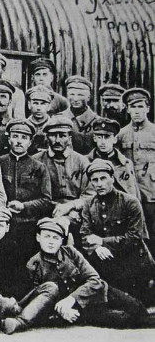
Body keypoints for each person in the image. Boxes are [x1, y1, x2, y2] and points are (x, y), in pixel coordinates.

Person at [1, 217, 149, 334]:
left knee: (139, 309)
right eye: (47, 236)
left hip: (100, 292)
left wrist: (71, 299)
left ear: (61, 241)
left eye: (55, 238)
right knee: (125, 320)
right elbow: (41, 300)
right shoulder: (33, 265)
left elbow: (94, 279)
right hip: (82, 310)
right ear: (38, 238)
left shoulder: (71, 253)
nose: (51, 242)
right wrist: (61, 312)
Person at [80, 159, 155, 303]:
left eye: (103, 178)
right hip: (107, 264)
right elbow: (85, 235)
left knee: (139, 304)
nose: (99, 183)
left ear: (112, 179)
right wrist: (97, 247)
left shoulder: (130, 202)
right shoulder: (89, 204)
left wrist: (102, 241)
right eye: (94, 180)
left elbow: (135, 237)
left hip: (134, 264)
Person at [32, 116, 94, 246]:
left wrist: (70, 206)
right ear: (47, 137)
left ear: (69, 138)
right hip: (45, 211)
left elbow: (90, 195)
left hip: (76, 214)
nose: (58, 140)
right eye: (53, 135)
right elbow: (32, 193)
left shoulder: (81, 161)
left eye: (62, 135)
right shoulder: (36, 161)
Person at [0, 118, 53, 257]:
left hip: (29, 224)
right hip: (2, 221)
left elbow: (46, 200)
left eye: (24, 137)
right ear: (9, 139)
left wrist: (24, 206)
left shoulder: (39, 167)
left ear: (30, 142)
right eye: (15, 136)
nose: (19, 141)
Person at [117, 88, 155, 249]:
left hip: (151, 191)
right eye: (133, 107)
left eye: (140, 106)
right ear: (127, 109)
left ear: (147, 108)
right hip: (130, 191)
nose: (137, 111)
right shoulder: (121, 134)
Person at [86, 118, 140, 200]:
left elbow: (134, 196)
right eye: (99, 137)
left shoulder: (125, 164)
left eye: (107, 137)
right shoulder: (85, 162)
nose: (102, 142)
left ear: (115, 139)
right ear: (94, 138)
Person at [58, 75, 100, 155]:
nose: (76, 99)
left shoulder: (97, 121)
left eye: (80, 95)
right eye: (72, 94)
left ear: (88, 97)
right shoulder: (59, 119)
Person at [25, 85, 53, 154]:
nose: (39, 108)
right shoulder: (24, 126)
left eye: (43, 104)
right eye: (35, 103)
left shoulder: (54, 126)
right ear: (29, 104)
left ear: (49, 106)